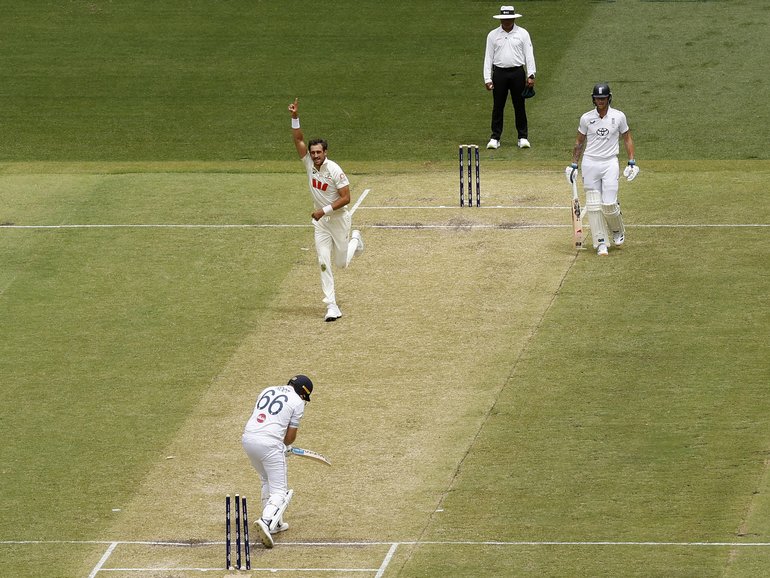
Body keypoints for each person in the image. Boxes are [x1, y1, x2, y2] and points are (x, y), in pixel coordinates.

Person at [288, 98, 364, 322]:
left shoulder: (335, 170)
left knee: (341, 263)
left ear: (326, 152)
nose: (315, 156)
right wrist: (294, 117)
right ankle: (331, 305)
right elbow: (298, 138)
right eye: (312, 153)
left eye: (318, 152)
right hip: (321, 224)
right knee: (323, 261)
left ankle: (355, 241)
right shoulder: (309, 164)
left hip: (338, 220)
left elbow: (346, 198)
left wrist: (325, 210)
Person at [566, 83, 639, 256]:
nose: (600, 101)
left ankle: (617, 230)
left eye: (603, 98)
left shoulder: (619, 116)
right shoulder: (586, 118)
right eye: (597, 98)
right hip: (590, 163)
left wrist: (631, 162)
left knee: (608, 204)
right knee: (593, 205)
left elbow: (627, 138)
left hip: (610, 163)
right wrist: (573, 164)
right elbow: (579, 142)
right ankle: (600, 243)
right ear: (593, 99)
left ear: (609, 98)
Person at [242, 374, 314, 549]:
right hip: (269, 444)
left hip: (248, 439)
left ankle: (276, 523)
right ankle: (266, 521)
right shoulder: (297, 402)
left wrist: (279, 447)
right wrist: (282, 447)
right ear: (303, 394)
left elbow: (265, 421)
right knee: (280, 492)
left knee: (266, 479)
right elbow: (289, 438)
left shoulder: (267, 389)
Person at [483, 6, 537, 150]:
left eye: (509, 18)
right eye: (504, 19)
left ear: (513, 18)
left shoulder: (523, 33)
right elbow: (488, 57)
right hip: (499, 73)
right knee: (498, 106)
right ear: (501, 19)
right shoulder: (493, 35)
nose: (506, 21)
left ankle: (522, 137)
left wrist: (531, 74)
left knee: (519, 105)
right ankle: (495, 138)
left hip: (517, 73)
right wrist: (487, 79)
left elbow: (529, 54)